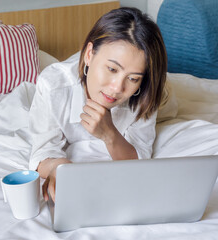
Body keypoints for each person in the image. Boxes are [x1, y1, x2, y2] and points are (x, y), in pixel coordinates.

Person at [28, 7, 167, 202]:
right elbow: (42, 150)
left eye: (133, 78)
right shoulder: (53, 85)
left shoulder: (146, 92)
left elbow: (139, 159)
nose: (117, 88)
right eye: (111, 69)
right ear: (89, 55)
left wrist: (110, 134)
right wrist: (59, 168)